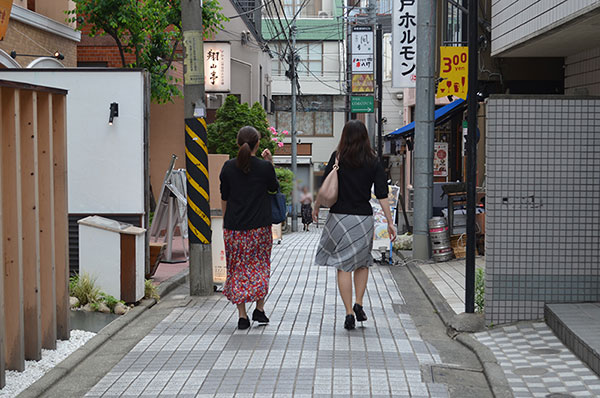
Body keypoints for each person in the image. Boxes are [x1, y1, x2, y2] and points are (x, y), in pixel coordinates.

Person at [313, 120, 397, 330]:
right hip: (363, 219)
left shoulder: (338, 157)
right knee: (362, 262)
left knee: (343, 266)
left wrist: (316, 207)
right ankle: (359, 303)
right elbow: (381, 194)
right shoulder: (373, 160)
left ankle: (349, 312)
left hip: (340, 218)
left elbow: (325, 187)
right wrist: (389, 222)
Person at [220, 126, 279, 330]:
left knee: (236, 270)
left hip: (234, 229)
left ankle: (242, 316)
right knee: (260, 268)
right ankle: (260, 309)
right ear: (258, 144)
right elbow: (274, 188)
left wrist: (225, 224)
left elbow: (224, 198)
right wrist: (269, 161)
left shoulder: (228, 167)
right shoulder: (264, 168)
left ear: (238, 143)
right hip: (259, 229)